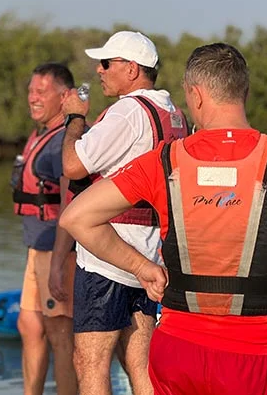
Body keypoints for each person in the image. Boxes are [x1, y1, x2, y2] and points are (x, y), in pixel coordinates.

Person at [60, 42, 267, 395]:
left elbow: (76, 217)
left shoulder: (165, 161)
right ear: (243, 91)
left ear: (196, 96)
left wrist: (143, 268)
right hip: (255, 356)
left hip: (178, 353)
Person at [48, 31, 188, 395]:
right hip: (152, 250)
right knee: (139, 363)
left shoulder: (129, 111)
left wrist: (75, 119)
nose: (99, 70)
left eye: (107, 63)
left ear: (131, 69)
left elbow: (73, 165)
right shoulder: (173, 113)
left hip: (109, 253)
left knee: (89, 361)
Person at [11, 63, 78, 395]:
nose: (32, 98)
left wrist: (57, 261)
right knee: (28, 324)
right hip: (36, 246)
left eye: (41, 92)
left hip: (58, 251)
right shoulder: (41, 134)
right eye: (30, 90)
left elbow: (70, 203)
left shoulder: (64, 141)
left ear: (64, 97)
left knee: (60, 333)